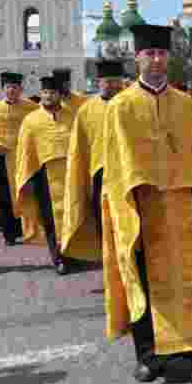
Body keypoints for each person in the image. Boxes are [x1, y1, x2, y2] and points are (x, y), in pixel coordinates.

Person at [101, 24, 192, 384]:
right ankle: (149, 355)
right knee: (143, 278)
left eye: (161, 54)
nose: (156, 60)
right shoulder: (122, 106)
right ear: (137, 59)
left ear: (168, 58)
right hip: (143, 207)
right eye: (149, 54)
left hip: (184, 207)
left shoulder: (186, 105)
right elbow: (117, 162)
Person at [61, 61, 124, 265]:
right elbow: (79, 147)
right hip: (100, 171)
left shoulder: (130, 103)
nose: (113, 85)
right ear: (99, 82)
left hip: (128, 169)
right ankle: (109, 263)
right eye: (108, 81)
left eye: (117, 81)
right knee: (103, 219)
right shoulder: (87, 110)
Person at [13, 76, 74, 274]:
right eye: (45, 93)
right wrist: (27, 178)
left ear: (59, 95)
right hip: (43, 177)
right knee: (50, 219)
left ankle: (71, 253)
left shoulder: (72, 116)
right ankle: (58, 258)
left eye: (52, 93)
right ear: (41, 94)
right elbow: (25, 152)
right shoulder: (31, 121)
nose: (48, 96)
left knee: (71, 216)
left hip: (70, 175)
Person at [0, 73, 36, 246]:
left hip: (24, 157)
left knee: (26, 193)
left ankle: (28, 229)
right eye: (8, 87)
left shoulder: (31, 107)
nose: (12, 91)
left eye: (15, 87)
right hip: (1, 159)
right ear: (3, 90)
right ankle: (9, 233)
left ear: (21, 89)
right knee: (4, 196)